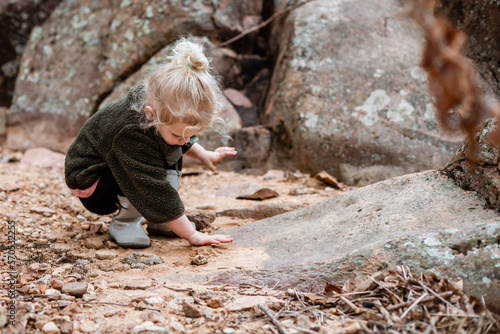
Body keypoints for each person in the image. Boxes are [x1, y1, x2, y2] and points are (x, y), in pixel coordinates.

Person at [65, 38, 236, 248]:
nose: (184, 141)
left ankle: (160, 218)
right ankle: (126, 222)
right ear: (151, 114)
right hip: (93, 183)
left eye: (189, 135)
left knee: (170, 147)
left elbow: (179, 137)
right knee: (146, 174)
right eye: (179, 134)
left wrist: (204, 154)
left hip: (120, 163)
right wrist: (191, 235)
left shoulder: (161, 112)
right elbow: (152, 187)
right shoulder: (131, 134)